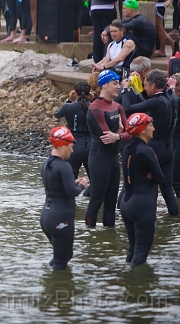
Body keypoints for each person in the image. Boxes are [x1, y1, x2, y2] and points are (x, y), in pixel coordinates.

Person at [121, 70, 179, 216]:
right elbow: (147, 103)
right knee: (167, 191)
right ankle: (174, 220)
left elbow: (128, 109)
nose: (145, 88)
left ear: (153, 85)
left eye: (146, 85)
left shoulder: (157, 102)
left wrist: (126, 90)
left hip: (154, 150)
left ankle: (150, 219)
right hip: (169, 149)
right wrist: (136, 87)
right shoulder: (172, 98)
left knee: (151, 188)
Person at [85, 70, 131, 228]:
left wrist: (118, 135)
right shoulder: (96, 108)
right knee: (97, 200)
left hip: (113, 160)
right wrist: (120, 132)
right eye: (115, 83)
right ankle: (90, 236)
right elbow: (107, 138)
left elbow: (130, 132)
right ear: (104, 84)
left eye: (118, 83)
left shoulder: (118, 106)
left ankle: (108, 237)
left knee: (111, 201)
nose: (118, 86)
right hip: (99, 160)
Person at [40, 126, 88, 270]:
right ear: (62, 146)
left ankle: (48, 281)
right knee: (62, 261)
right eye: (70, 147)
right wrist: (82, 186)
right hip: (60, 218)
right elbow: (71, 192)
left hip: (46, 218)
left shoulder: (46, 164)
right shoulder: (64, 166)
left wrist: (72, 183)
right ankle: (59, 290)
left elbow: (56, 187)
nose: (72, 151)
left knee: (64, 256)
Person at [119, 113, 164, 265]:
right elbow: (160, 177)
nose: (154, 128)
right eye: (151, 126)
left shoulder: (127, 148)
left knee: (132, 250)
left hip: (126, 203)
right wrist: (152, 174)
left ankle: (127, 284)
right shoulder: (147, 151)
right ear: (143, 129)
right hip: (142, 205)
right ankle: (138, 286)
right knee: (140, 256)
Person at [54, 82, 92, 180]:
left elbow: (57, 114)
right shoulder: (94, 107)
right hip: (91, 147)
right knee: (95, 183)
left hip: (73, 147)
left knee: (70, 181)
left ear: (75, 92)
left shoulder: (68, 107)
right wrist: (94, 99)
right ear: (90, 93)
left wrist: (69, 100)